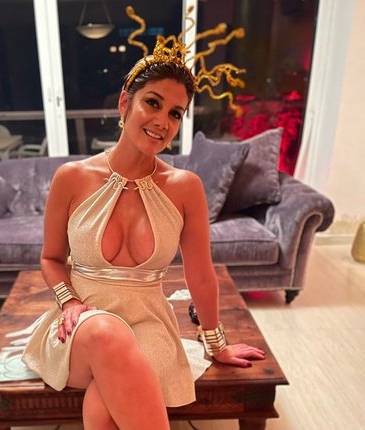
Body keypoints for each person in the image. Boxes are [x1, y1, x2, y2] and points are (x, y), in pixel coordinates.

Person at [22, 7, 265, 429]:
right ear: (125, 103)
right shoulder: (72, 178)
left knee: (106, 405)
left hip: (149, 324)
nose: (162, 121)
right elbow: (51, 258)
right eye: (152, 103)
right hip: (80, 327)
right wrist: (70, 302)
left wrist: (215, 343)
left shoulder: (185, 187)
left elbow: (201, 275)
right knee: (106, 336)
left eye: (175, 113)